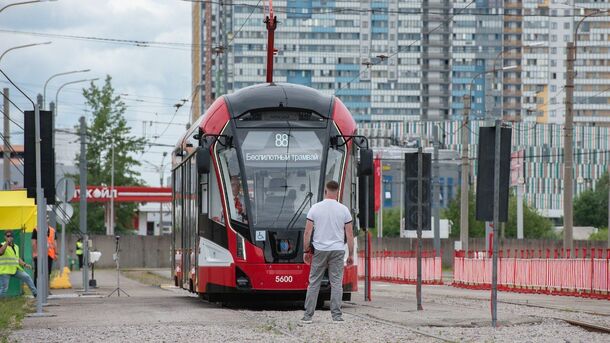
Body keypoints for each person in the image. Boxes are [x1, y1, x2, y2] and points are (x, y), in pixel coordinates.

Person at [301, 180, 354, 324]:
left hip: (320, 250)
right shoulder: (344, 210)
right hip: (337, 250)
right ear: (337, 192)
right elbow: (349, 234)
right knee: (336, 283)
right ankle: (337, 316)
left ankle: (308, 316)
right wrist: (351, 254)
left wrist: (306, 250)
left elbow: (307, 232)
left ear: (325, 191)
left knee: (314, 283)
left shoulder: (315, 208)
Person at [0, 230, 38, 297]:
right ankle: (1, 302)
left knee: (27, 277)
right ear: (5, 237)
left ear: (13, 237)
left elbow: (17, 258)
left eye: (11, 236)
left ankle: (36, 293)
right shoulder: (2, 245)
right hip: (5, 271)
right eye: (8, 236)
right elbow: (1, 252)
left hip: (15, 269)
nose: (9, 237)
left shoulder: (16, 247)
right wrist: (6, 243)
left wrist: (25, 264)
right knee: (4, 289)